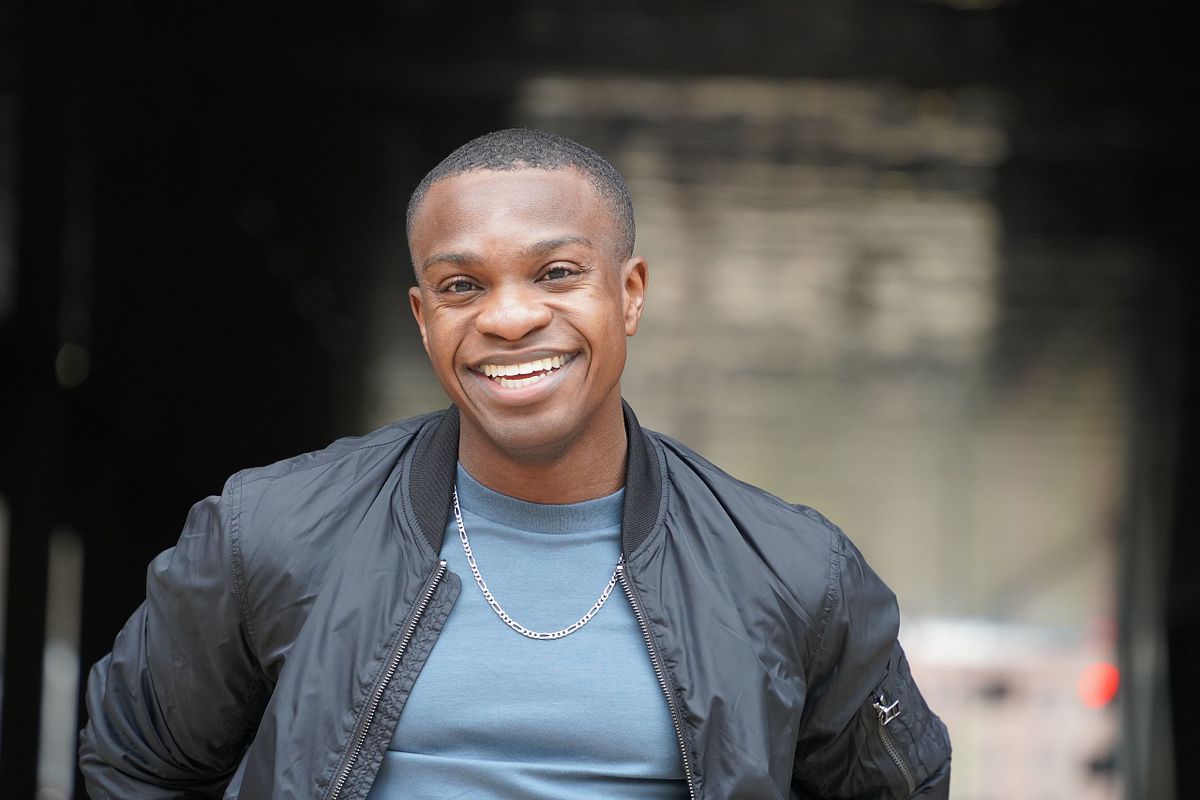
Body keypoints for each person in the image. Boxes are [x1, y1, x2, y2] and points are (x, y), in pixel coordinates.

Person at [79, 128, 951, 799]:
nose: (507, 319)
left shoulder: (791, 573)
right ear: (423, 317)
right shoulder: (268, 534)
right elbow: (131, 763)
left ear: (629, 293)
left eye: (557, 273)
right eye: (462, 286)